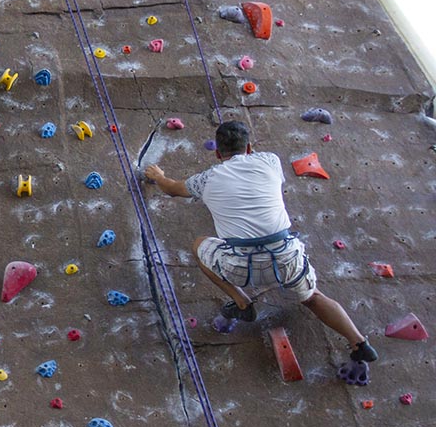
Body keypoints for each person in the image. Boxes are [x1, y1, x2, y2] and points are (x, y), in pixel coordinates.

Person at [144, 120, 378, 364]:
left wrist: (159, 176)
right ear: (249, 148)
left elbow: (172, 189)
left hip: (240, 266)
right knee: (314, 298)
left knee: (199, 245)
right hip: (286, 258)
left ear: (217, 153)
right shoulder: (271, 161)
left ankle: (241, 302)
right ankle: (358, 342)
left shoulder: (206, 180)